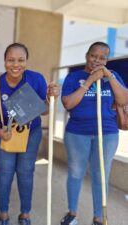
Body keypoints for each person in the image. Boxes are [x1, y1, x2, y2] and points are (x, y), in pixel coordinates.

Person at [0, 43, 60, 225]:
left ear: (26, 62)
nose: (15, 64)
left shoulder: (36, 80)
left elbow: (45, 110)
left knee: (26, 172)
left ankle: (25, 213)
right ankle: (4, 213)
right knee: (6, 172)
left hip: (30, 133)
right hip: (4, 134)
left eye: (20, 60)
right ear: (4, 61)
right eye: (10, 60)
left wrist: (50, 98)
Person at [60, 42, 128, 225]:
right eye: (93, 56)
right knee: (75, 173)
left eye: (102, 57)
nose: (97, 60)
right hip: (77, 133)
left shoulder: (113, 76)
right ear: (86, 55)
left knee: (101, 175)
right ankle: (72, 213)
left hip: (106, 133)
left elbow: (124, 99)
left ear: (107, 59)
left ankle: (99, 216)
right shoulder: (74, 77)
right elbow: (68, 103)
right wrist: (90, 80)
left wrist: (109, 77)